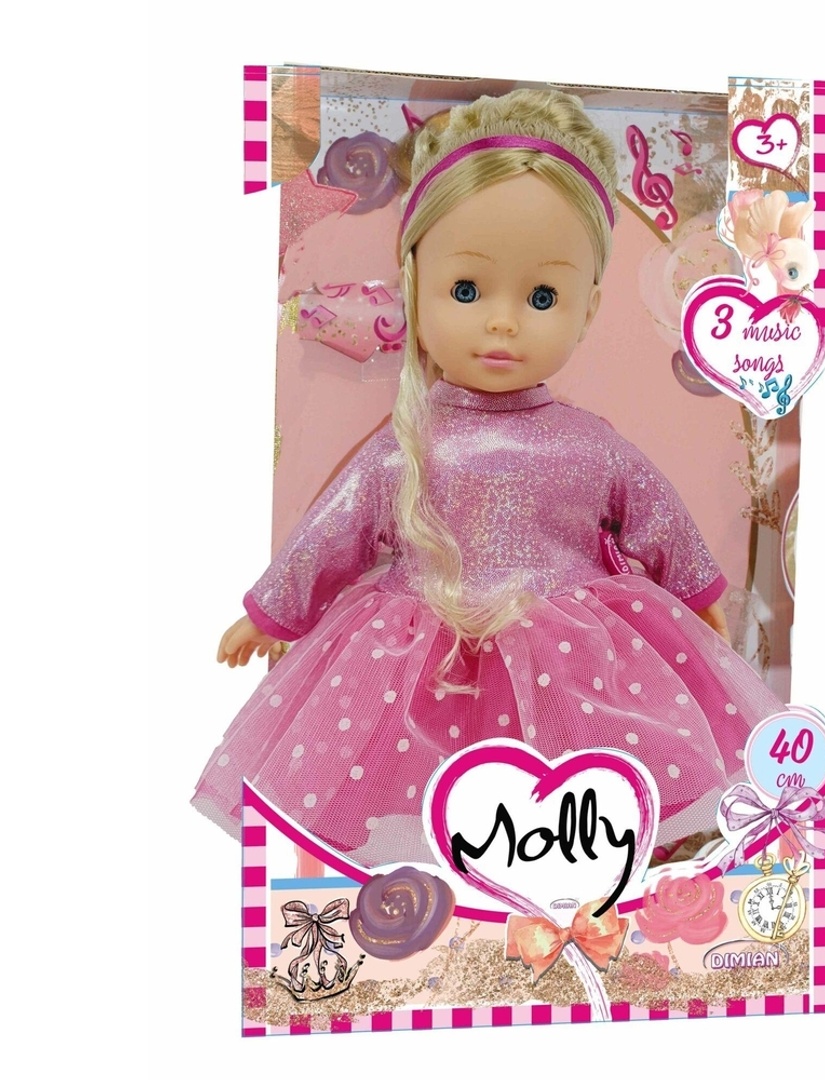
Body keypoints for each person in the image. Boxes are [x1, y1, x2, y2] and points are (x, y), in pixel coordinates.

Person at [192, 88, 784, 868]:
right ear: (415, 285)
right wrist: (271, 614)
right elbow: (336, 530)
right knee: (428, 803)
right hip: (419, 661)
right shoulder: (407, 447)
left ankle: (564, 884)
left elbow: (658, 517)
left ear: (589, 307)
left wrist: (701, 597)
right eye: (467, 291)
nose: (503, 321)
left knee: (574, 813)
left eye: (542, 297)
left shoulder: (591, 445)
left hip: (573, 665)